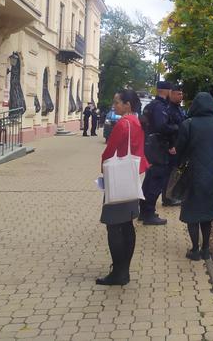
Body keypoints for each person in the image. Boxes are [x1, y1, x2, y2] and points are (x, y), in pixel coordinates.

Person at [97, 89, 148, 286]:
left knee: (114, 226)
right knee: (127, 225)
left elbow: (109, 151)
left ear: (127, 104)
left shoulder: (123, 124)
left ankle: (118, 272)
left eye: (117, 102)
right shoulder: (136, 122)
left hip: (118, 178)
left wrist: (103, 167)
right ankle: (124, 269)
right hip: (131, 177)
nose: (114, 105)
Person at [175, 92, 213, 260]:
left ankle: (194, 250)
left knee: (192, 211)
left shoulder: (188, 124)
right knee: (208, 211)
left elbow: (179, 149)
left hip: (192, 173)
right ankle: (206, 249)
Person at [139, 81, 178, 225]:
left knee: (149, 179)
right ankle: (148, 213)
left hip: (151, 145)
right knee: (156, 180)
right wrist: (175, 128)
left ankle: (144, 210)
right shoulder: (160, 107)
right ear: (167, 91)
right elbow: (162, 126)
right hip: (158, 147)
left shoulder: (150, 106)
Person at [163, 84, 186, 206]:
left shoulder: (178, 108)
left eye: (182, 94)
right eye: (178, 94)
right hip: (172, 147)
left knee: (175, 172)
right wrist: (170, 145)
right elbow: (167, 129)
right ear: (171, 94)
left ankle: (172, 195)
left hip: (179, 145)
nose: (181, 96)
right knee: (169, 173)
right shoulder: (168, 109)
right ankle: (167, 198)